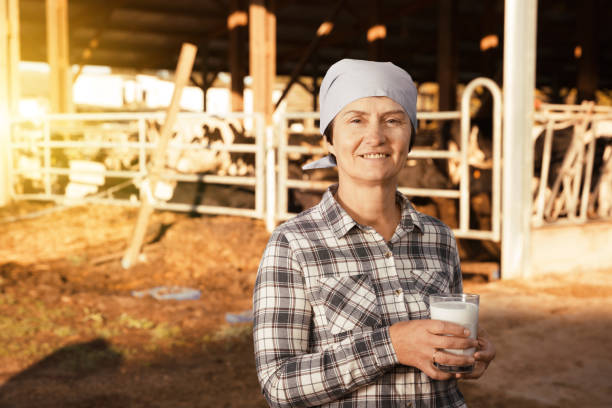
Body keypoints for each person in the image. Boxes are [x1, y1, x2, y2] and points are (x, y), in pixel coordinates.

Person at [253, 59, 495, 408]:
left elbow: (446, 345)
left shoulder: (439, 238)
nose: (376, 136)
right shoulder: (293, 244)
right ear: (330, 139)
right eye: (356, 120)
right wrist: (392, 345)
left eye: (393, 120)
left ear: (409, 137)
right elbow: (278, 384)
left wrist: (473, 349)